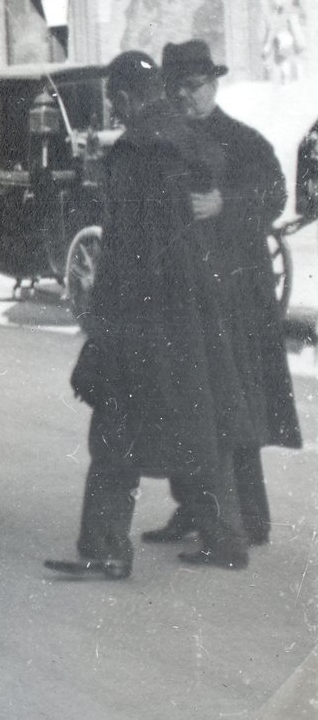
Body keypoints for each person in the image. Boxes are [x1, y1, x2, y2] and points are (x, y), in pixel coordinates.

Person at [44, 47, 271, 577]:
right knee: (199, 425)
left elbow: (125, 249)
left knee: (114, 429)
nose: (115, 111)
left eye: (113, 101)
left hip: (144, 314)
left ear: (124, 97)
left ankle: (105, 549)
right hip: (195, 310)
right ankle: (226, 540)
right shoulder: (191, 140)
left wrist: (103, 323)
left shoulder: (134, 152)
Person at [132, 40, 301, 551]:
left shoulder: (243, 140)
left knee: (237, 407)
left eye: (196, 86)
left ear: (214, 83)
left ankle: (253, 519)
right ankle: (196, 510)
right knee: (188, 409)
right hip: (185, 297)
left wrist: (225, 203)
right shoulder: (162, 142)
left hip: (237, 298)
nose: (188, 97)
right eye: (177, 88)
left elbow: (274, 194)